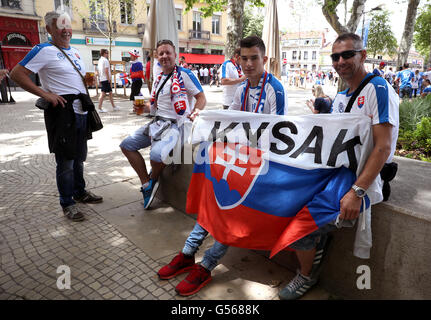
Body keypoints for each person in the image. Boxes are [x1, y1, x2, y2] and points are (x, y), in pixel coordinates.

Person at [157, 35, 288, 297]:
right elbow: (231, 123)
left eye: (255, 58)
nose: (249, 64)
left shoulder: (276, 88)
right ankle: (187, 253)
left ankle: (206, 265)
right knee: (213, 201)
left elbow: (277, 134)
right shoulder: (240, 89)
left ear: (265, 59)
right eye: (245, 58)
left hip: (259, 166)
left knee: (230, 211)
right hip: (238, 158)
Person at [278, 32, 399, 300]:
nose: (340, 61)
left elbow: (383, 147)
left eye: (347, 54)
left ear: (363, 55)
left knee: (302, 223)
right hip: (335, 175)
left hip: (360, 181)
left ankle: (306, 274)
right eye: (335, 56)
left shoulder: (378, 90)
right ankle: (316, 244)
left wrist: (357, 193)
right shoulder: (344, 94)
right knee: (284, 198)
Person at [10, 11, 103, 222]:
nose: (65, 29)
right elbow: (16, 74)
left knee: (79, 157)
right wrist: (45, 93)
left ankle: (80, 192)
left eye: (67, 25)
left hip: (81, 112)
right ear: (49, 29)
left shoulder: (77, 52)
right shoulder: (43, 49)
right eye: (59, 25)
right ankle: (67, 203)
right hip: (62, 114)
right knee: (66, 161)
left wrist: (86, 83)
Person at [120, 39, 206, 210]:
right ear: (156, 56)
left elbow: (201, 97)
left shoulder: (185, 74)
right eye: (161, 53)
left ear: (175, 55)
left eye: (168, 52)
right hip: (157, 123)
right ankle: (147, 185)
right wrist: (141, 108)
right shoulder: (159, 77)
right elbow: (154, 107)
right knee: (127, 145)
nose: (165, 56)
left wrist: (196, 110)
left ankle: (153, 179)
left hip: (176, 126)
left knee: (156, 155)